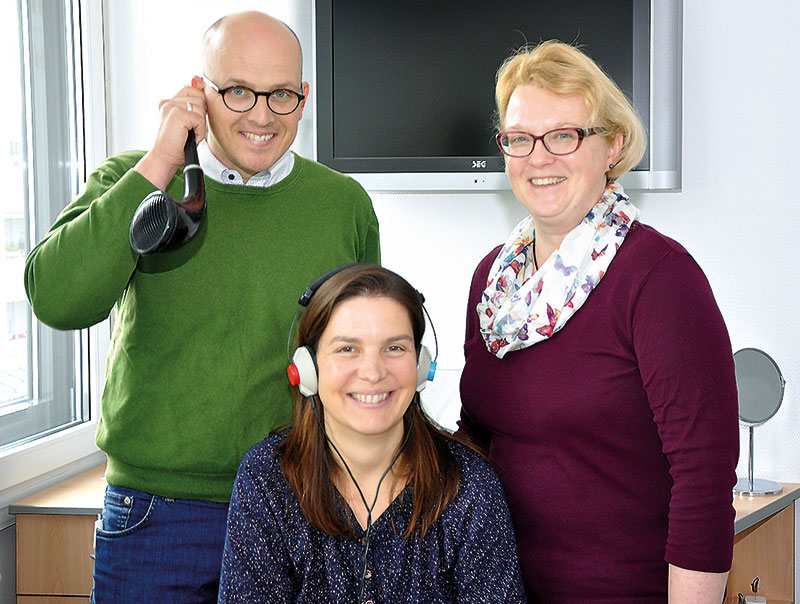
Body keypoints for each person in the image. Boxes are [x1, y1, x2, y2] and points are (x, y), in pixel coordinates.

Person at [24, 11, 379, 604]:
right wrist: (162, 159)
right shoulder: (135, 182)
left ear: (304, 97)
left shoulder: (342, 205)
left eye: (282, 95)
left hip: (297, 505)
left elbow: (361, 355)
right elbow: (57, 299)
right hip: (155, 517)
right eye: (238, 91)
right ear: (199, 92)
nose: (262, 115)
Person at [457, 41, 739, 604]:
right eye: (519, 138)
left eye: (563, 135)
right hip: (503, 590)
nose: (538, 157)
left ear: (611, 145)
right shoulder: (494, 283)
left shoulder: (659, 278)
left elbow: (704, 483)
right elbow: (478, 444)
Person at [218, 263, 527, 603]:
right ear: (307, 369)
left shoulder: (469, 486)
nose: (373, 372)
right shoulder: (267, 477)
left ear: (421, 365)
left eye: (394, 348)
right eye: (347, 348)